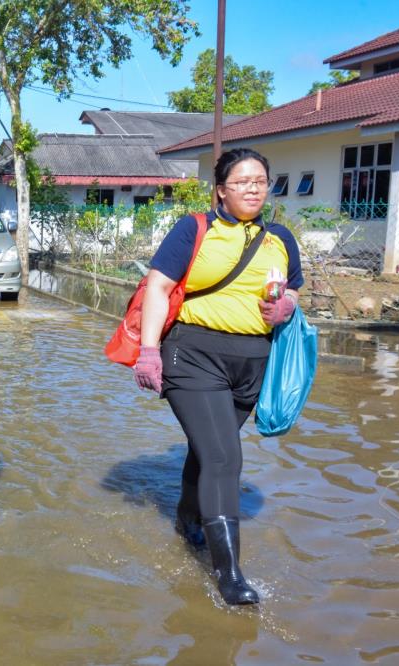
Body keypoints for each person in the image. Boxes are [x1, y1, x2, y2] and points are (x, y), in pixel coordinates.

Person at [134, 148, 303, 605]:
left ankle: (187, 518)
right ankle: (229, 575)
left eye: (261, 180)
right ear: (220, 190)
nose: (253, 188)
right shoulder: (195, 228)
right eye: (242, 181)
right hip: (193, 356)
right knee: (226, 460)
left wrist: (286, 305)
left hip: (252, 363)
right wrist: (149, 351)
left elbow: (292, 295)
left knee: (208, 452)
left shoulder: (281, 239)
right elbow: (158, 287)